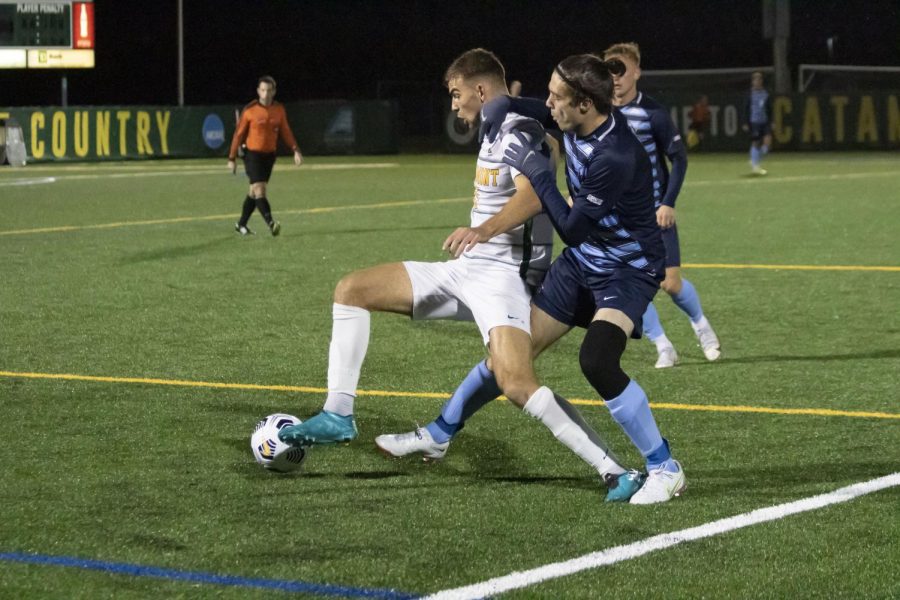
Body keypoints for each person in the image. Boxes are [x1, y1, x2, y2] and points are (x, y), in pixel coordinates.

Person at [279, 48, 644, 502]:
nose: (454, 106)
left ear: (479, 89)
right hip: (468, 269)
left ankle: (613, 469)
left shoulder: (521, 130)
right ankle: (338, 414)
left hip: (506, 276)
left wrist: (483, 229)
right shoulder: (493, 128)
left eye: (456, 95)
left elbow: (535, 198)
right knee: (352, 290)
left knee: (514, 381)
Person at [380, 54, 687, 504]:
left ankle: (664, 467)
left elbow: (571, 227)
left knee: (597, 361)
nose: (549, 102)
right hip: (583, 262)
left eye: (557, 97)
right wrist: (500, 106)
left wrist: (539, 174)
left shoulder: (615, 155)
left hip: (628, 268)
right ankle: (439, 432)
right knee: (511, 356)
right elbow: (528, 108)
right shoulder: (575, 118)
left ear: (583, 104)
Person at [602, 42, 720, 368]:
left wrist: (668, 202)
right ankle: (663, 345)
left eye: (621, 70)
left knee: (669, 282)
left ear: (636, 72)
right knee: (631, 285)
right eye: (609, 71)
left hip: (655, 214)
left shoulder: (652, 113)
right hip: (616, 220)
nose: (615, 78)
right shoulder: (598, 114)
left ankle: (701, 325)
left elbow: (679, 159)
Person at [228, 75, 303, 236]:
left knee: (253, 193)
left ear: (274, 92)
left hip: (269, 156)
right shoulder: (250, 110)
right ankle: (271, 224)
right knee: (260, 190)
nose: (266, 93)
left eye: (269, 90)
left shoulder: (279, 110)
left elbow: (286, 131)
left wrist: (295, 150)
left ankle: (241, 224)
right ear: (258, 91)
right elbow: (238, 134)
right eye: (263, 90)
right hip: (252, 155)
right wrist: (232, 158)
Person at [742, 71, 772, 175]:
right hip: (754, 122)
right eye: (756, 80)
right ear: (753, 82)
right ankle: (755, 165)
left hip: (765, 121)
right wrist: (745, 122)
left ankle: (755, 160)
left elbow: (769, 109)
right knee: (756, 143)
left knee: (767, 142)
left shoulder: (765, 94)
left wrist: (771, 121)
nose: (758, 82)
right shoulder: (749, 94)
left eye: (759, 80)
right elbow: (745, 109)